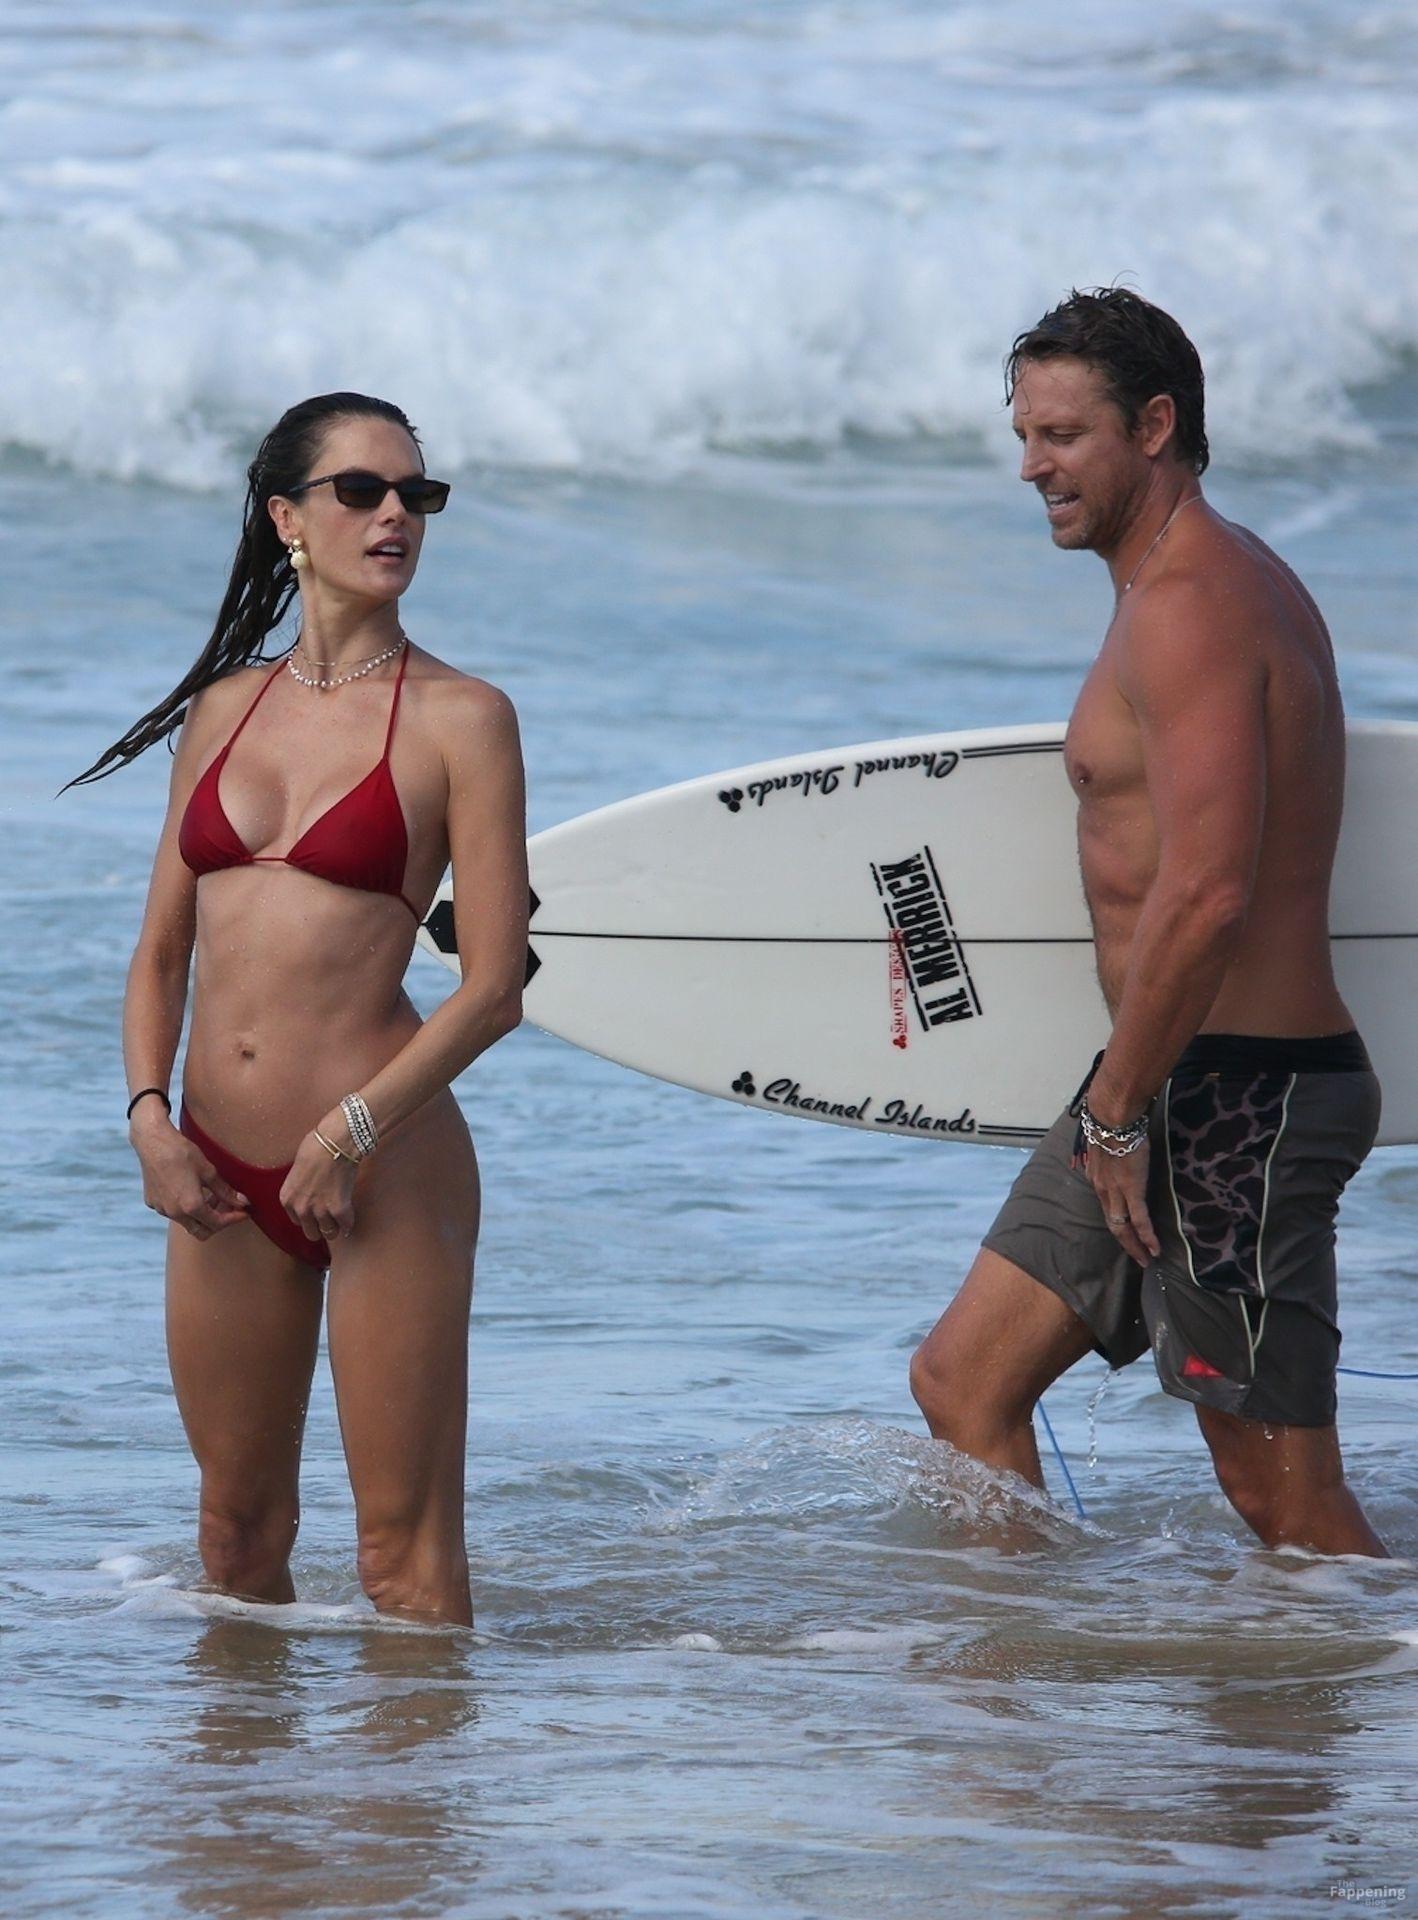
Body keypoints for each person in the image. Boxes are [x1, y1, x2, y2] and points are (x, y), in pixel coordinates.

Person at [910, 289, 1386, 1556]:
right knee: (962, 1384)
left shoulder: (1192, 600)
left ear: (1155, 425)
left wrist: (1116, 1114)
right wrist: (1123, 1106)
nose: (1032, 466)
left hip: (1240, 1103)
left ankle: (1351, 1682)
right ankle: (1023, 1673)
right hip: (1161, 1084)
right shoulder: (1177, 588)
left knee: (1280, 1498)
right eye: (1024, 435)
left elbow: (1206, 889)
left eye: (1063, 435)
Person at [72, 392, 528, 1624]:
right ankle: (247, 1763)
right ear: (287, 518)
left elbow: (493, 987)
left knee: (401, 1560)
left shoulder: (462, 719)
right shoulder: (224, 710)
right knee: (234, 1537)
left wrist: (351, 1130)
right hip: (215, 1171)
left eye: (416, 495)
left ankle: (418, 1763)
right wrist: (150, 1120)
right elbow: (160, 952)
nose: (395, 516)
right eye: (361, 491)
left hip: (384, 1165)